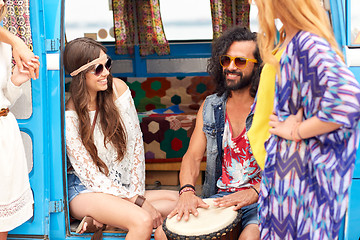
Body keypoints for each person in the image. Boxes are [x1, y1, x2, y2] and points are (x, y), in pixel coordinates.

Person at [252, 0, 360, 239]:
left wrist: (296, 131)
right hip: (289, 189)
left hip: (300, 193)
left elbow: (348, 101)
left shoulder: (305, 43)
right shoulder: (293, 41)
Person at [63, 37, 178, 240]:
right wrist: (138, 202)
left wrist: (137, 195)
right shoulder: (71, 112)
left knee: (178, 201)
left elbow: (135, 147)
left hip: (118, 186)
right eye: (97, 69)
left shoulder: (118, 89)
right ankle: (112, 215)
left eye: (107, 64)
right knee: (142, 220)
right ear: (80, 75)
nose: (106, 72)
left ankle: (105, 220)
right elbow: (89, 174)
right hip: (85, 189)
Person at [164, 26, 263, 240]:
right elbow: (191, 156)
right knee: (164, 235)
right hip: (220, 198)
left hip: (260, 199)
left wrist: (255, 192)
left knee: (249, 237)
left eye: (240, 61)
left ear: (258, 67)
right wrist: (187, 191)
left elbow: (286, 166)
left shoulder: (269, 107)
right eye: (226, 60)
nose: (230, 67)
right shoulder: (211, 105)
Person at [0, 0, 40, 239]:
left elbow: (5, 98)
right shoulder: (11, 42)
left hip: (4, 129)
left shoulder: (6, 46)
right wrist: (18, 41)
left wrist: (17, 79)